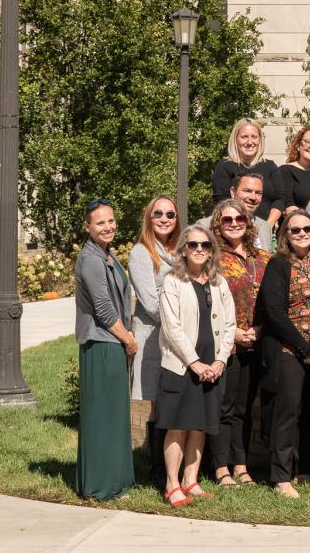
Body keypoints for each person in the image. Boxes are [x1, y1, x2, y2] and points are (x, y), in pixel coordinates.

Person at [157, 225, 236, 507]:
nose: (200, 249)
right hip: (181, 365)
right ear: (183, 250)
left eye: (205, 245)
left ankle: (191, 480)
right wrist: (195, 363)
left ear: (212, 250)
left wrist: (219, 361)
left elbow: (229, 325)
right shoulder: (172, 281)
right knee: (178, 425)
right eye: (193, 245)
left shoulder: (219, 283)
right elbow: (172, 327)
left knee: (200, 425)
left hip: (212, 367)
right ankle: (172, 484)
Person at [259, 209, 310, 498]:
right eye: (295, 230)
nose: (302, 234)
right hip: (288, 349)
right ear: (285, 235)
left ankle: (303, 469)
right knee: (287, 413)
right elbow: (274, 312)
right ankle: (280, 476)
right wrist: (303, 347)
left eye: (307, 229)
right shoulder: (278, 264)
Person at [74, 198, 136, 501]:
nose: (108, 226)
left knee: (113, 414)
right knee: (102, 416)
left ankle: (115, 481)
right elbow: (102, 308)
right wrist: (128, 338)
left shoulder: (107, 254)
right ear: (88, 227)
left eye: (110, 220)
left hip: (111, 342)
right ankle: (100, 485)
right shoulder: (91, 259)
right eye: (100, 222)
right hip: (101, 343)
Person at [208, 199, 272, 488]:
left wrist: (258, 329)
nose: (234, 223)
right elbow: (206, 302)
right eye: (227, 220)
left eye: (239, 219)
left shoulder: (264, 258)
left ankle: (241, 466)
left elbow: (272, 302)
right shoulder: (211, 258)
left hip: (256, 342)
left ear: (248, 223)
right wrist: (233, 332)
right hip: (226, 344)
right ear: (217, 225)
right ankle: (221, 468)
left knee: (245, 408)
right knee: (225, 406)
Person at [129, 195, 181, 487]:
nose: (164, 218)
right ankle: (158, 471)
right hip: (153, 337)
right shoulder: (141, 252)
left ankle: (173, 467)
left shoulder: (177, 250)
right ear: (149, 218)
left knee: (170, 400)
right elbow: (149, 302)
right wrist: (182, 322)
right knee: (157, 402)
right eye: (158, 213)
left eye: (170, 214)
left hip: (176, 340)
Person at [212, 118, 284, 225]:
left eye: (254, 137)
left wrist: (267, 226)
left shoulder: (270, 166)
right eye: (244, 137)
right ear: (235, 139)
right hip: (235, 227)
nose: (250, 142)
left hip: (266, 229)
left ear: (260, 139)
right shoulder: (224, 166)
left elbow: (280, 199)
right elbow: (221, 201)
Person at [230, 173, 274, 251]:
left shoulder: (265, 227)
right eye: (247, 191)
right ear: (233, 192)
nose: (253, 197)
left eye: (258, 193)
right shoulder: (208, 225)